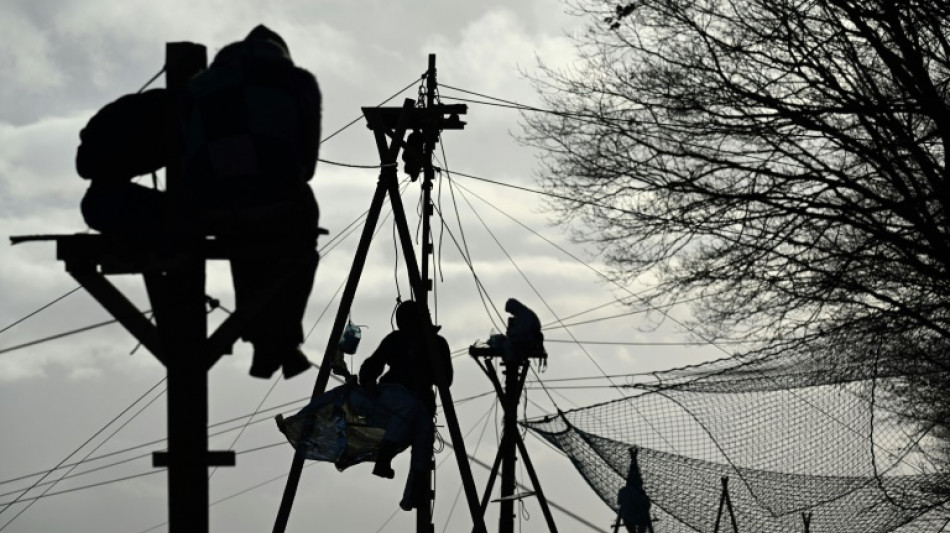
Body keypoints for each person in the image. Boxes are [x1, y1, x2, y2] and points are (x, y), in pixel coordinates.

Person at [183, 24, 323, 379]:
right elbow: (306, 167)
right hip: (275, 200)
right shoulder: (299, 82)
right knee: (298, 240)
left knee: (242, 244)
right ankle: (283, 339)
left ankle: (262, 339)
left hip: (211, 206)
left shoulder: (197, 85)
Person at [358, 300, 453, 510]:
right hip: (392, 395)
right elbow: (372, 365)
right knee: (409, 407)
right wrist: (368, 382)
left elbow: (445, 380)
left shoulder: (437, 344)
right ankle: (384, 457)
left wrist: (427, 362)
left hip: (420, 402)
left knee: (424, 435)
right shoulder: (396, 340)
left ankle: (414, 494)